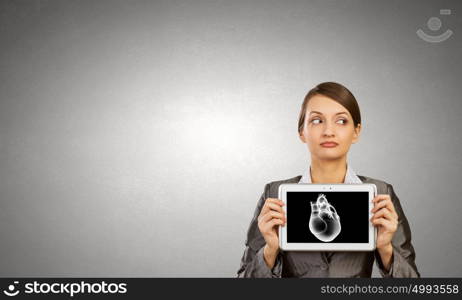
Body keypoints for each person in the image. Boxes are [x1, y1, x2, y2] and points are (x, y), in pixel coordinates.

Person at [237, 82, 420, 278]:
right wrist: (270, 250)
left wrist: (385, 249)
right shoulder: (275, 194)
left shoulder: (380, 193)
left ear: (356, 131)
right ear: (301, 132)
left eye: (341, 121)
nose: (329, 131)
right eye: (317, 121)